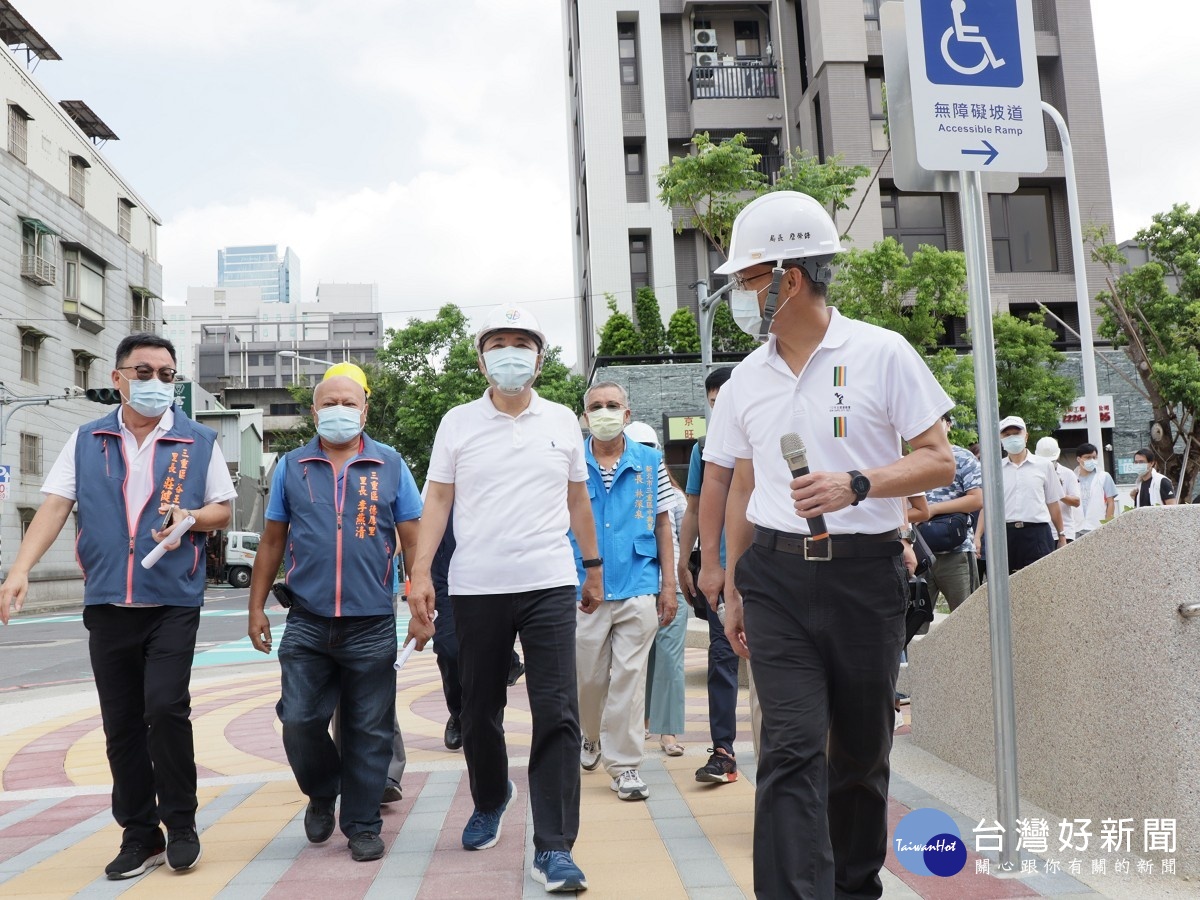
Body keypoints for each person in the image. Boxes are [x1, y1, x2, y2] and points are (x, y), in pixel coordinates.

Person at [705, 191, 955, 899]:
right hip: (778, 579)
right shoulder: (747, 380)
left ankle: (853, 889)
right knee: (787, 751)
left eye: (747, 280)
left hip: (867, 579)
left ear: (787, 278)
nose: (739, 295)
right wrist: (729, 584)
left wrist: (861, 482)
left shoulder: (882, 352)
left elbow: (937, 459)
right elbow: (744, 483)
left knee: (859, 756)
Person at [0, 333, 236, 880]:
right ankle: (139, 834)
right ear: (118, 378)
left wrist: (192, 519)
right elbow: (56, 504)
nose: (157, 383)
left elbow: (222, 509)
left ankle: (181, 824)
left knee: (164, 708)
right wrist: (19, 570)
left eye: (167, 374)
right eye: (145, 371)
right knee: (122, 723)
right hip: (108, 599)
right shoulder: (87, 439)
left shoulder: (197, 441)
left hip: (172, 598)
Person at [406, 304, 599, 894]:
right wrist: (419, 574)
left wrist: (592, 567)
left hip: (547, 580)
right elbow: (436, 501)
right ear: (482, 355)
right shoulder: (457, 422)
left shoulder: (563, 419)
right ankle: (490, 798)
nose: (510, 352)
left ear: (539, 358)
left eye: (522, 342)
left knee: (557, 711)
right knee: (477, 709)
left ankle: (555, 847)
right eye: (498, 342)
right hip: (476, 585)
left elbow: (576, 501)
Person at [247, 373, 423, 862]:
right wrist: (255, 605)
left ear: (364, 410)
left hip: (370, 623)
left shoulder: (389, 463)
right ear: (314, 411)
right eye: (330, 402)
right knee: (299, 719)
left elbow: (413, 539)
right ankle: (323, 790)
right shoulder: (291, 466)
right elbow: (273, 541)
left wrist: (419, 600)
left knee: (369, 729)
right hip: (306, 619)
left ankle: (363, 824)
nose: (339, 409)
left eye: (349, 402)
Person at [573, 398, 676, 802]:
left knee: (629, 682)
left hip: (639, 583)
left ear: (628, 414)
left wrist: (669, 586)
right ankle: (591, 736)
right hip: (586, 592)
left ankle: (626, 766)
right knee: (589, 679)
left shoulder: (650, 462)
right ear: (584, 416)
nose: (604, 412)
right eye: (595, 406)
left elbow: (664, 522)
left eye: (612, 405)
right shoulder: (571, 462)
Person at [676, 366, 744, 784]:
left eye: (727, 401)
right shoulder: (705, 448)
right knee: (722, 661)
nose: (721, 410)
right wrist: (686, 560)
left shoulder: (768, 437)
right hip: (722, 575)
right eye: (714, 403)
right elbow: (695, 509)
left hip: (775, 569)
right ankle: (723, 752)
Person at [427, 511, 528, 753]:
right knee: (449, 649)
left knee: (491, 654)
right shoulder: (441, 483)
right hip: (446, 580)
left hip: (491, 581)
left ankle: (492, 728)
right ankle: (459, 714)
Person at [629, 422, 688, 758]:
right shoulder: (621, 491)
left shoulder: (674, 496)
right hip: (634, 585)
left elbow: (683, 538)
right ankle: (644, 720)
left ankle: (668, 730)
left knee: (669, 659)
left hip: (671, 586)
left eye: (649, 447)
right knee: (640, 660)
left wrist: (682, 577)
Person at [975, 416, 1065, 573]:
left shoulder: (1044, 466)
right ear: (1001, 439)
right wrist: (977, 537)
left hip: (1037, 534)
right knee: (1006, 587)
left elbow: (1053, 503)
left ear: (1026, 436)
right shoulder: (994, 470)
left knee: (1040, 584)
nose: (1012, 438)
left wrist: (1062, 535)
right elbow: (987, 506)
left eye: (1016, 433)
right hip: (1004, 535)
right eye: (1007, 434)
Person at [920, 413, 983, 611]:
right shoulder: (910, 460)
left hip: (957, 551)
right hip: (919, 550)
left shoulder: (963, 457)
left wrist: (931, 510)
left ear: (948, 425)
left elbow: (977, 499)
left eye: (936, 421)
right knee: (912, 622)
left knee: (967, 618)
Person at [1034, 436, 1081, 543]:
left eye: (1052, 461)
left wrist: (1058, 491)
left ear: (1058, 456)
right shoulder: (1033, 474)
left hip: (1065, 530)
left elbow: (1076, 502)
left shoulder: (1068, 474)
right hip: (1041, 531)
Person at [1073, 443, 1117, 537]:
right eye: (1088, 457)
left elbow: (1111, 503)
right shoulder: (1072, 477)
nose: (1092, 460)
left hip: (1096, 527)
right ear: (1078, 459)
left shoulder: (1104, 476)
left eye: (1094, 457)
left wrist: (1107, 525)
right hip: (1076, 528)